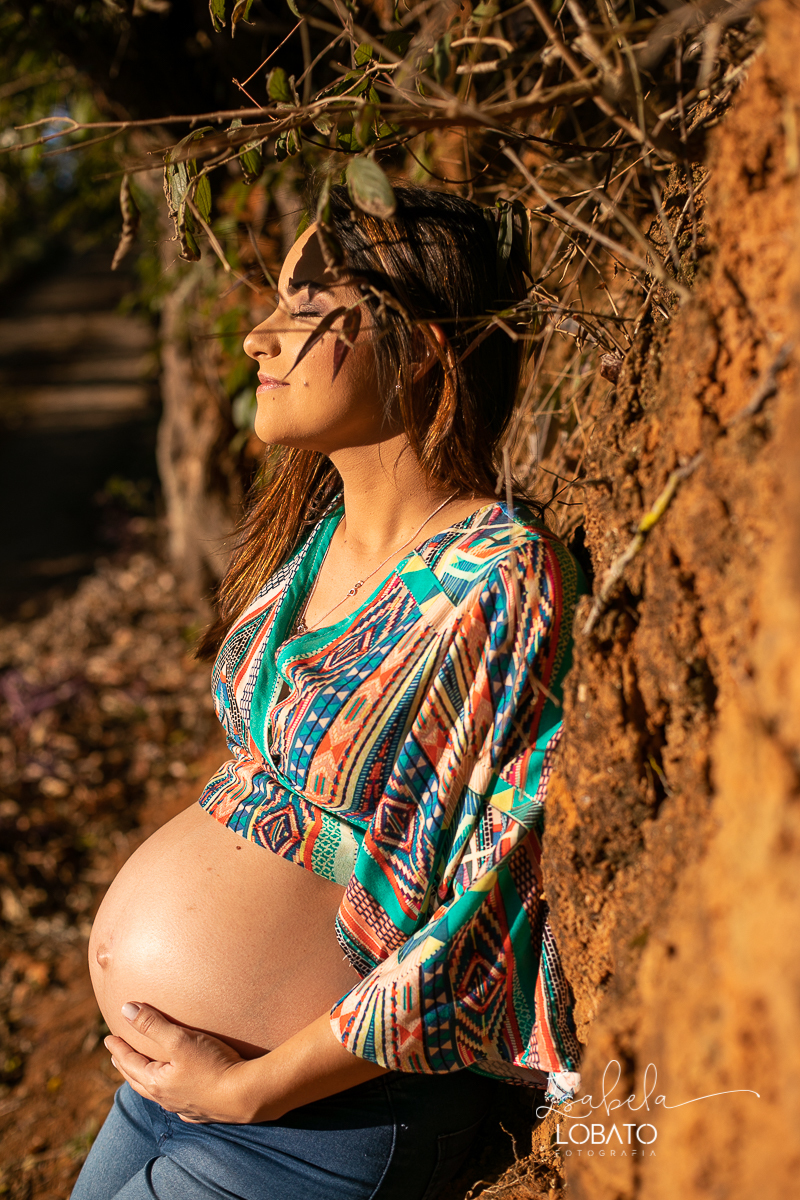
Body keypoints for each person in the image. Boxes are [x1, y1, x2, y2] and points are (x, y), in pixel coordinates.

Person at [71, 184, 582, 1200]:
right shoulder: (311, 543)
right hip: (170, 1091)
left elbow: (482, 907)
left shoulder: (496, 576)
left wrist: (255, 1086)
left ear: (421, 349)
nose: (258, 336)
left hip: (308, 1121)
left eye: (305, 310)